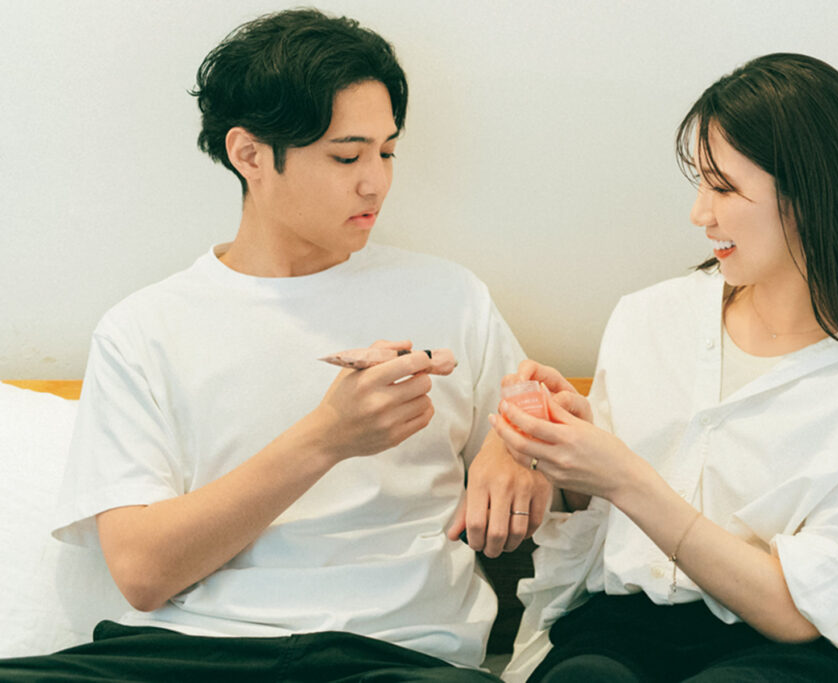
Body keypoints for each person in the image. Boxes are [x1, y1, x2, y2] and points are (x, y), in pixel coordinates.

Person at [0, 8, 549, 682]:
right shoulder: (144, 329)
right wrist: (327, 437)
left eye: (387, 152)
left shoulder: (451, 296)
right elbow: (141, 572)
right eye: (346, 156)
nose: (376, 181)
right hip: (184, 656)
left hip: (393, 656)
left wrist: (517, 445)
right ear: (250, 155)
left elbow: (561, 458)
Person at [491, 54, 838, 683]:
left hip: (798, 649)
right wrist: (562, 449)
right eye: (702, 184)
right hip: (629, 625)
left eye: (722, 188)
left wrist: (627, 477)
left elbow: (800, 613)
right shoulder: (649, 319)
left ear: (808, 195)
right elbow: (600, 524)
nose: (700, 214)